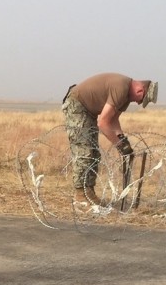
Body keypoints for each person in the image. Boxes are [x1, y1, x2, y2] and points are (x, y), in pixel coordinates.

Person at [62, 73, 157, 208]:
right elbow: (103, 123)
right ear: (140, 90)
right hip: (77, 105)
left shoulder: (125, 97)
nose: (138, 102)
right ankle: (79, 195)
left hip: (88, 112)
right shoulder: (121, 88)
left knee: (94, 153)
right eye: (141, 100)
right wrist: (118, 145)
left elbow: (113, 120)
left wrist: (123, 141)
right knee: (85, 152)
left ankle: (88, 192)